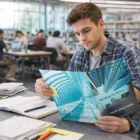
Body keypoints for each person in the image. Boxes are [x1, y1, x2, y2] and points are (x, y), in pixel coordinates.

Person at [35, 3, 140, 134]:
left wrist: (130, 125)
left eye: (86, 31)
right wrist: (48, 87)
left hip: (119, 127)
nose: (82, 39)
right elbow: (71, 93)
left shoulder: (127, 52)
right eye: (77, 33)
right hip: (85, 125)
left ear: (101, 24)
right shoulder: (78, 56)